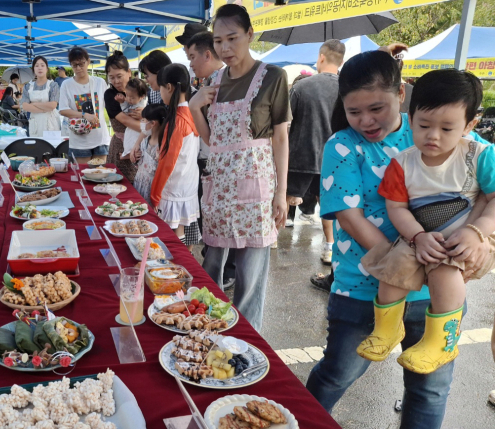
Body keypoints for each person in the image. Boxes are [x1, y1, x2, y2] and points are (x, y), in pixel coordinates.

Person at [304, 51, 491, 429]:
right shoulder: (342, 147)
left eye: (377, 108)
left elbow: (484, 191)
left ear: (401, 97)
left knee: (429, 384)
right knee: (339, 372)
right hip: (363, 285)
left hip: (438, 293)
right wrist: (400, 258)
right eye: (354, 110)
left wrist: (480, 234)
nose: (366, 120)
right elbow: (347, 213)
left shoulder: (435, 130)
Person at [356, 69, 495, 374]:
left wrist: (477, 232)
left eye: (447, 128)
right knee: (393, 267)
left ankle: (441, 343)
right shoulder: (402, 162)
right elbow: (397, 208)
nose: (433, 136)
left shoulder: (480, 155)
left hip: (468, 237)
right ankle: (388, 329)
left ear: (470, 124)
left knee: (445, 272)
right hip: (421, 237)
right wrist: (417, 237)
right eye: (424, 125)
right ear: (411, 116)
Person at [189, 4, 290, 332]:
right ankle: (208, 333)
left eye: (232, 38)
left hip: (256, 185)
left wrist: (282, 194)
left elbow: (280, 138)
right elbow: (212, 140)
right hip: (219, 182)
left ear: (249, 35)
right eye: (218, 41)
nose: (225, 48)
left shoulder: (273, 77)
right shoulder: (214, 81)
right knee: (212, 265)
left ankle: (248, 342)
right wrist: (194, 106)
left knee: (250, 275)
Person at [287, 39, 345, 266]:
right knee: (328, 206)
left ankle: (269, 240)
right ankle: (330, 247)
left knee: (284, 199)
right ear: (340, 61)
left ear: (321, 57)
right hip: (335, 158)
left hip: (301, 155)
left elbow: (286, 123)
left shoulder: (301, 87)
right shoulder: (347, 89)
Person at [186, 30, 236, 287]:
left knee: (218, 227)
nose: (191, 63)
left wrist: (194, 107)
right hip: (215, 164)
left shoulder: (220, 84)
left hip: (219, 166)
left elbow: (211, 138)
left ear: (208, 54)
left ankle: (222, 276)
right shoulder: (213, 83)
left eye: (192, 57)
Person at [150, 64, 200, 251]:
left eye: (161, 87)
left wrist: (155, 195)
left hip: (173, 189)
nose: (160, 92)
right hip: (187, 187)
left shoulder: (177, 121)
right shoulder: (190, 113)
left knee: (172, 242)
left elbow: (167, 164)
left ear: (169, 87)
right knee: (181, 239)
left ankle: (175, 274)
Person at [59, 47, 110, 164]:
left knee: (100, 175)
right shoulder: (67, 84)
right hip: (79, 141)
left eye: (81, 64)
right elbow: (63, 110)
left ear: (88, 61)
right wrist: (84, 115)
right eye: (74, 65)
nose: (78, 68)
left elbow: (109, 104)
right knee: (83, 174)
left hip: (100, 138)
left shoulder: (99, 82)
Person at [104, 51, 142, 181]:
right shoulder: (110, 95)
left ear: (129, 72)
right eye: (112, 77)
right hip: (120, 147)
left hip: (141, 147)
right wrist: (150, 129)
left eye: (119, 76)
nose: (116, 81)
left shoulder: (141, 89)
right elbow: (125, 121)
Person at [133, 104, 167, 202]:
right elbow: (139, 163)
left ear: (153, 123)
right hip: (139, 183)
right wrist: (135, 159)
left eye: (143, 120)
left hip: (152, 188)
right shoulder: (144, 141)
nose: (141, 123)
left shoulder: (162, 146)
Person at [21, 56, 61, 137]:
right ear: (33, 69)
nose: (40, 68)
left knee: (51, 147)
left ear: (47, 68)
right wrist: (44, 109)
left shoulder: (53, 85)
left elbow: (52, 105)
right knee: (36, 147)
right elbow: (25, 106)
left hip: (51, 123)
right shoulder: (28, 86)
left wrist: (33, 104)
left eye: (42, 65)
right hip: (35, 123)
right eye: (37, 65)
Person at [114, 78, 148, 158]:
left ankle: (130, 153)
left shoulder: (140, 106)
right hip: (135, 126)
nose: (129, 99)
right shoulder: (140, 100)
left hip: (138, 128)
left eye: (132, 98)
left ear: (142, 97)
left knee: (133, 138)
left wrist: (122, 102)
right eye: (127, 96)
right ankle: (128, 152)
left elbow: (127, 111)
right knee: (129, 137)